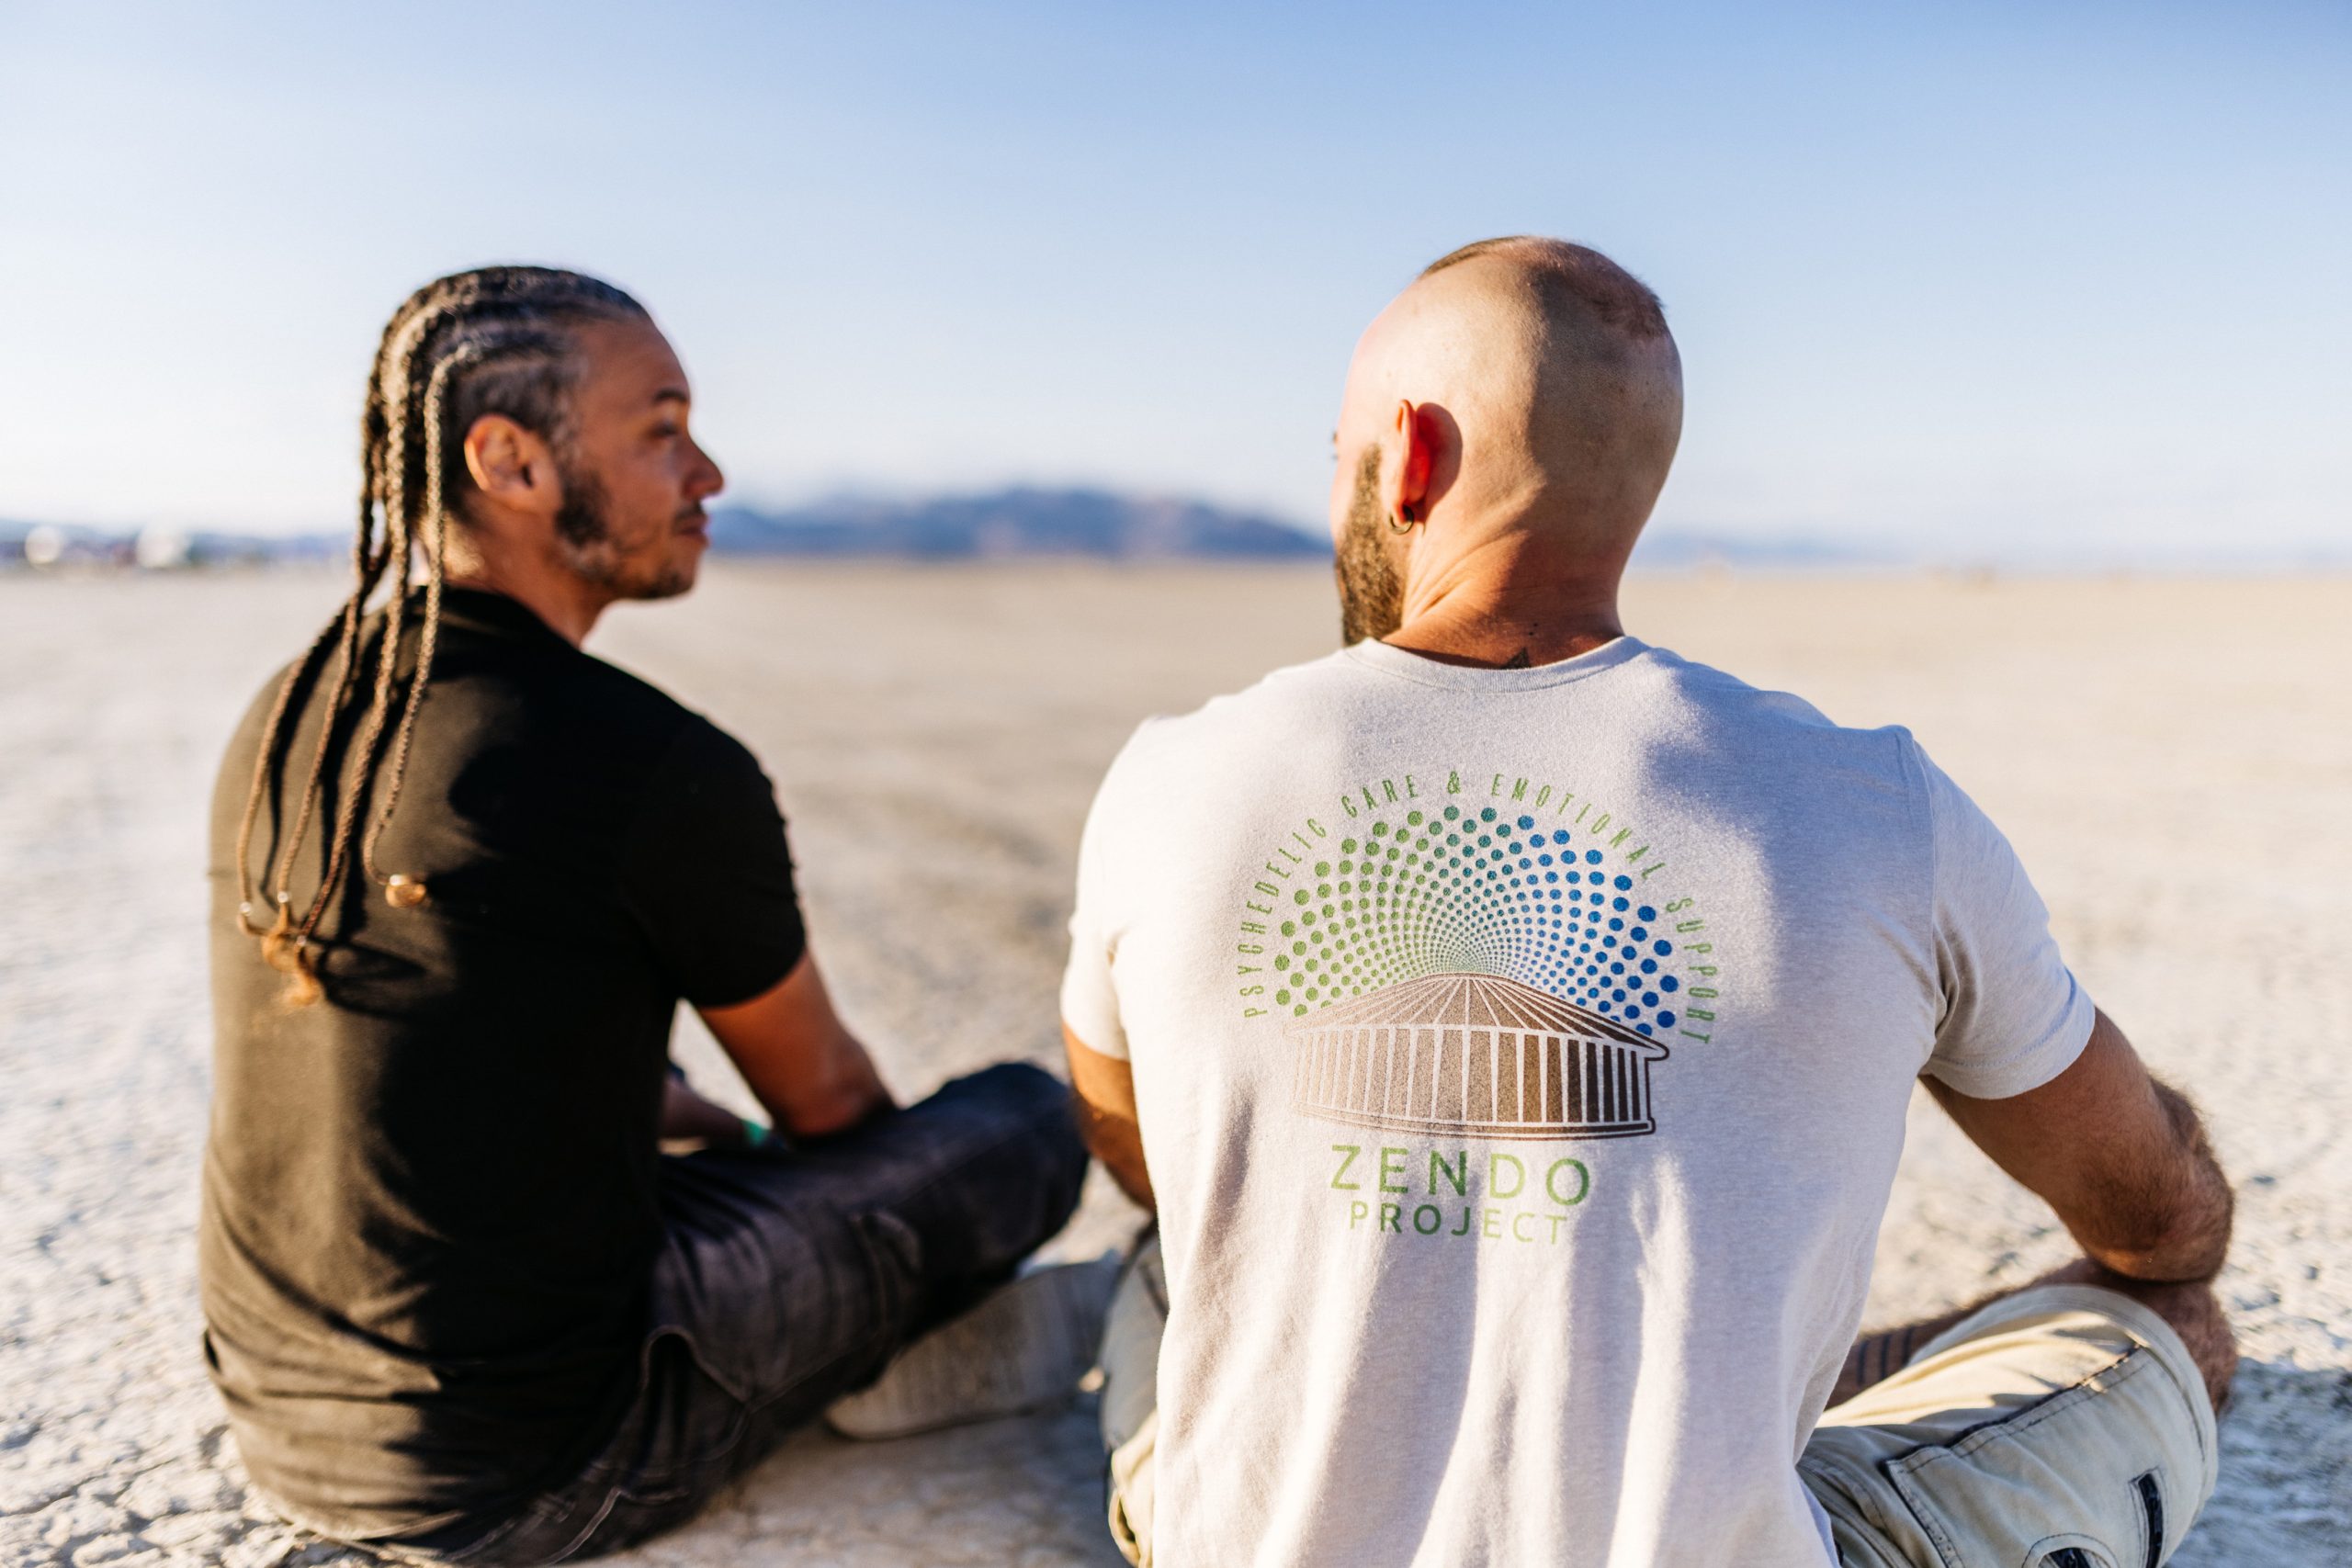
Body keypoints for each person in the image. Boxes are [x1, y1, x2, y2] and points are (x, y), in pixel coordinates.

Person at [1061, 238, 2236, 1567]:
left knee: (1173, 1269)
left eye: (1339, 454)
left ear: (1411, 458)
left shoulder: (1172, 779)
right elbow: (2156, 1223)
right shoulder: (1873, 803)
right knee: (2171, 1334)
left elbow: (1142, 1153)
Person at [201, 266, 1096, 1565]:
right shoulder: (642, 760)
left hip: (288, 1423)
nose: (708, 472)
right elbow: (831, 1109)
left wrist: (674, 1113)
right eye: (661, 429)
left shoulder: (297, 705)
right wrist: (883, 1237)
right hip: (534, 1464)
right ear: (508, 460)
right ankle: (894, 1355)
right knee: (1024, 1118)